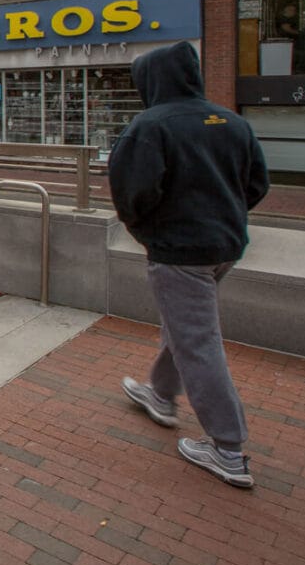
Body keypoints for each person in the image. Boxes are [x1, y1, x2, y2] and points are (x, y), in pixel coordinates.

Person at [109, 42, 269, 489]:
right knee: (185, 326)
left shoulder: (150, 127)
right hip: (225, 247)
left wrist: (149, 231)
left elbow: (132, 195)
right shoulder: (234, 123)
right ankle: (160, 394)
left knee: (197, 340)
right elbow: (257, 184)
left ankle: (227, 448)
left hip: (178, 252)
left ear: (152, 81)